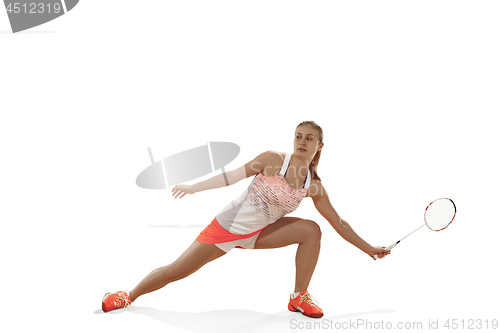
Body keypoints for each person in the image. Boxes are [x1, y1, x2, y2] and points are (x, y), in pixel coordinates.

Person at [102, 120, 390, 318]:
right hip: (228, 227)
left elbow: (339, 222)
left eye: (309, 138)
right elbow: (232, 176)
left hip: (262, 232)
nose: (302, 142)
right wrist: (193, 187)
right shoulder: (273, 159)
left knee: (311, 230)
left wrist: (369, 248)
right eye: (298, 136)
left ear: (320, 146)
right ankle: (128, 294)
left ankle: (299, 296)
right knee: (178, 270)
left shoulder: (313, 184)